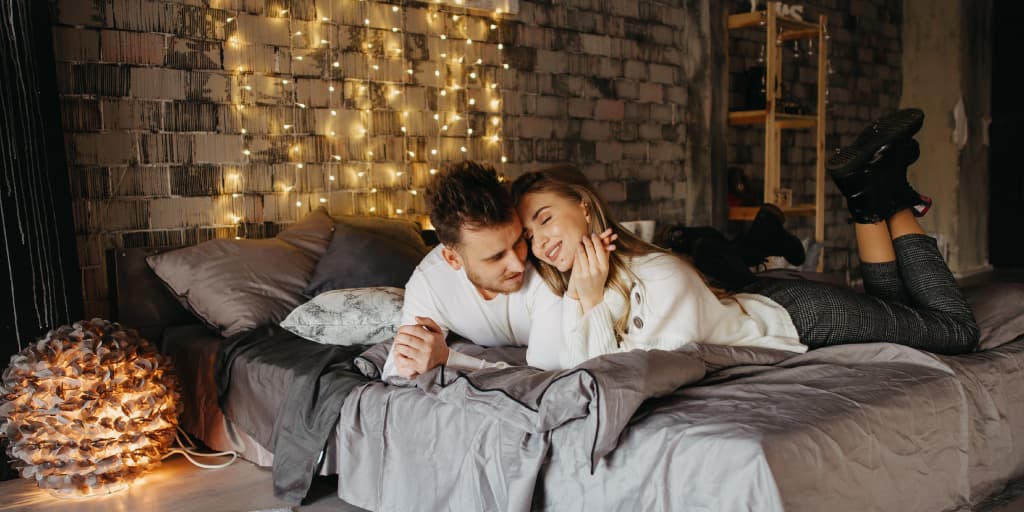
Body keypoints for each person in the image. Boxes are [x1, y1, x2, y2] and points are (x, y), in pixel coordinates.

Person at [511, 108, 978, 370]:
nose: (539, 242)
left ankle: (889, 194)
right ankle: (871, 192)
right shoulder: (584, 284)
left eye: (546, 219)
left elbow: (612, 376)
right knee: (895, 308)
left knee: (955, 330)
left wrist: (590, 301)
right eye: (529, 236)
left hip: (801, 317)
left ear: (584, 206)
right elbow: (555, 366)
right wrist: (582, 296)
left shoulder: (655, 274)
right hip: (765, 302)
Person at [383, 162, 616, 380]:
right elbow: (396, 370)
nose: (518, 264)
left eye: (519, 241)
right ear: (453, 259)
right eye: (496, 257)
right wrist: (416, 357)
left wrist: (449, 359)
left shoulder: (545, 267)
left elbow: (546, 377)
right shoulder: (430, 282)